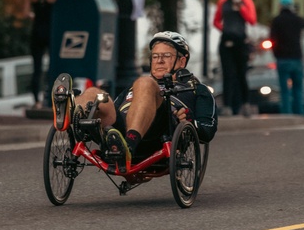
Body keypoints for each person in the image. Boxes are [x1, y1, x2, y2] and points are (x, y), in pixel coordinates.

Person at [51, 32, 217, 174]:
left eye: (166, 56)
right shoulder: (133, 87)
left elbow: (207, 131)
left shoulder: (196, 89)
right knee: (95, 94)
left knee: (145, 83)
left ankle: (128, 148)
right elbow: (113, 110)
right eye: (155, 56)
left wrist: (190, 121)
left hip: (160, 132)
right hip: (118, 132)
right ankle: (69, 112)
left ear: (181, 61)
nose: (159, 61)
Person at [213, 0, 258, 116]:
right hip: (227, 40)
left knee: (242, 73)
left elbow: (252, 20)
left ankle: (245, 103)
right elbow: (216, 20)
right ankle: (227, 105)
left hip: (241, 40)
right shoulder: (223, 1)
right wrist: (225, 30)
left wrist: (241, 8)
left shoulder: (246, 1)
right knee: (228, 73)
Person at [268, 0, 304, 115]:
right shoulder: (297, 19)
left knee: (284, 91)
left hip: (282, 59)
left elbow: (272, 40)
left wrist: (276, 54)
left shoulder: (276, 21)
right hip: (296, 59)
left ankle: (286, 115)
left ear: (280, 6)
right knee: (298, 90)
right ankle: (299, 114)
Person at [29, 0, 63, 109]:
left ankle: (36, 100)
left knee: (36, 68)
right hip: (51, 33)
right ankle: (50, 98)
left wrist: (35, 16)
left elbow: (26, 13)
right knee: (53, 66)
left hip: (36, 31)